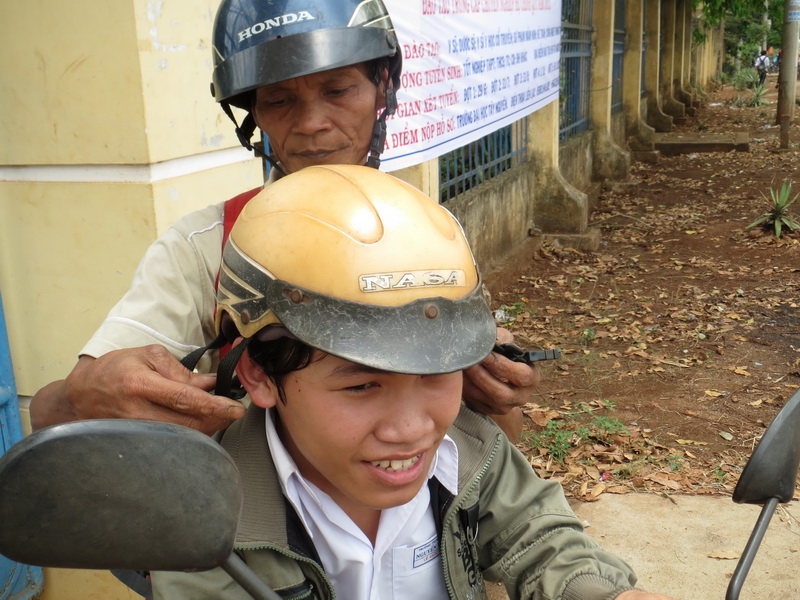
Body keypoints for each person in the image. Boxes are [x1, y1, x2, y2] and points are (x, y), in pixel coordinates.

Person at [150, 164, 675, 600]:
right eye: (361, 387)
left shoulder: (468, 451)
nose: (412, 429)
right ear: (258, 374)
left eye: (435, 374)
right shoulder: (210, 519)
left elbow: (543, 539)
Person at [29, 0, 536, 440]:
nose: (312, 122)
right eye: (279, 100)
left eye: (338, 90)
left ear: (382, 89)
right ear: (255, 118)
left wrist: (496, 389)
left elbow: (498, 443)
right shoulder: (206, 247)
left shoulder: (431, 233)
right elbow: (52, 415)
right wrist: (87, 394)